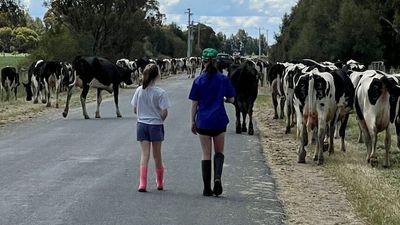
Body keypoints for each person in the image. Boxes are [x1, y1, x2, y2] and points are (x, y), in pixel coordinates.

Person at [188, 48, 236, 197]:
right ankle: (217, 178)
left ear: (202, 61)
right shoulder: (223, 79)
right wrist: (223, 99)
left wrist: (192, 121)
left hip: (203, 121)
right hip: (219, 120)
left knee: (205, 154)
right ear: (216, 62)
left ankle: (206, 188)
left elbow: (194, 103)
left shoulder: (198, 80)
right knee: (219, 152)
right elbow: (232, 99)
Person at [131, 63, 171, 192]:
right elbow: (164, 112)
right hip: (155, 125)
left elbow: (134, 109)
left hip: (142, 125)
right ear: (157, 75)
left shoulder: (139, 90)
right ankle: (159, 182)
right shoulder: (160, 92)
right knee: (157, 155)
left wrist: (142, 114)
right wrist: (160, 118)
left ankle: (142, 183)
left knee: (144, 154)